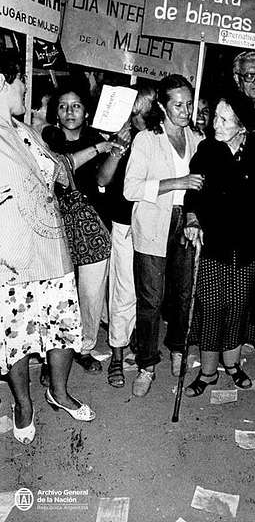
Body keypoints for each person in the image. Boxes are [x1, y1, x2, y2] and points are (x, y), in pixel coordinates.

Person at [0, 56, 95, 446]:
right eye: (21, 81)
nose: (26, 87)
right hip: (13, 258)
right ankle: (24, 405)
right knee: (17, 336)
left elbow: (58, 170)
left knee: (62, 329)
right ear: (3, 82)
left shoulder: (25, 130)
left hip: (54, 250)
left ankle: (59, 391)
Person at [183, 94, 255, 396]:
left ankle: (232, 364)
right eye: (214, 117)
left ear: (242, 126)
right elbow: (193, 190)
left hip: (248, 243)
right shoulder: (208, 149)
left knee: (236, 305)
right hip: (215, 241)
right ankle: (208, 372)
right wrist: (193, 219)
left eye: (224, 119)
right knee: (211, 305)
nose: (214, 124)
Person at [124, 74, 203, 397]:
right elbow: (130, 189)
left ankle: (177, 349)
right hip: (154, 223)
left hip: (187, 222)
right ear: (161, 105)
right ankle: (146, 364)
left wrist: (196, 215)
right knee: (151, 299)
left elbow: (204, 185)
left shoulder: (197, 138)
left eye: (188, 104)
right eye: (177, 105)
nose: (184, 111)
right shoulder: (146, 139)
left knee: (183, 294)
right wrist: (176, 182)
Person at [44, 81, 119, 375]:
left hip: (92, 227)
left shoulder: (98, 138)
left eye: (76, 105)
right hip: (56, 226)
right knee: (59, 291)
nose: (69, 111)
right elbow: (61, 167)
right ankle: (55, 353)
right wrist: (101, 147)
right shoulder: (47, 139)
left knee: (90, 292)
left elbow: (105, 181)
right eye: (63, 106)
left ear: (86, 111)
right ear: (56, 113)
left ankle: (84, 347)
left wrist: (112, 150)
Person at [98, 84, 156, 388]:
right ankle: (117, 354)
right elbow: (102, 178)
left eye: (145, 110)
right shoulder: (120, 139)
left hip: (155, 225)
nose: (140, 116)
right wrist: (118, 149)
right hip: (124, 224)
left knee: (150, 292)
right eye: (137, 111)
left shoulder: (161, 139)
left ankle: (141, 345)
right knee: (123, 291)